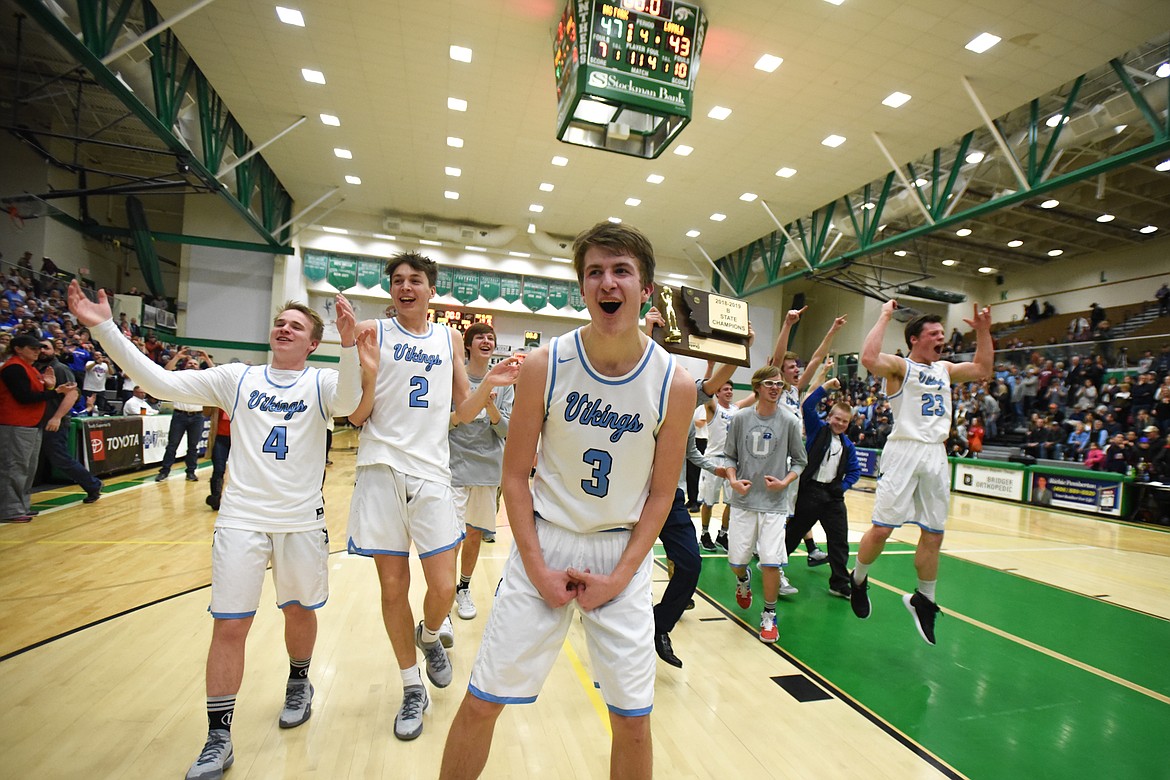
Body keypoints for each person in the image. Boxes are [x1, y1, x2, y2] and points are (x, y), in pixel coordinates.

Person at [67, 280, 364, 780]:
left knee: (298, 612)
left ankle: (299, 680)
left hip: (300, 522)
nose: (284, 328)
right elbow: (161, 383)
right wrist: (106, 330)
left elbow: (353, 401)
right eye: (280, 323)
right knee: (229, 625)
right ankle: (218, 737)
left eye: (297, 326)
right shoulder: (236, 378)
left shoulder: (322, 383)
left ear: (314, 343)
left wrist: (352, 345)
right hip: (241, 520)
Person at [438, 222, 694, 780]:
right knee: (482, 701)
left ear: (645, 288)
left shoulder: (675, 383)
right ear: (582, 288)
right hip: (544, 546)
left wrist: (621, 577)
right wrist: (538, 567)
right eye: (595, 272)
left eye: (621, 270)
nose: (608, 281)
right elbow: (514, 477)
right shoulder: (545, 364)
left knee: (632, 721)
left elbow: (661, 495)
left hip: (621, 555)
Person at [346, 252, 521, 742]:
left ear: (430, 290)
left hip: (431, 472)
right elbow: (355, 410)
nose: (405, 287)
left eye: (414, 280)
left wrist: (490, 382)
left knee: (443, 587)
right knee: (391, 588)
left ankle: (429, 636)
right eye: (397, 281)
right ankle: (410, 688)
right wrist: (350, 351)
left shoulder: (446, 339)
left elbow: (462, 413)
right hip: (380, 469)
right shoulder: (372, 332)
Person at [850, 301, 992, 645]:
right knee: (882, 529)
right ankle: (858, 578)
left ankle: (924, 599)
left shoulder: (945, 368)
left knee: (934, 534)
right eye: (934, 333)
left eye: (942, 333)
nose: (941, 337)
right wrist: (883, 315)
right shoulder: (901, 367)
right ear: (915, 339)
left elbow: (982, 368)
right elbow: (869, 359)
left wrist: (984, 331)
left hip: (935, 453)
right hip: (904, 450)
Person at [723, 364, 807, 643]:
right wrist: (734, 480)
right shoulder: (740, 418)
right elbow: (729, 457)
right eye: (770, 383)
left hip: (774, 503)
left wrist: (785, 482)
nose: (775, 388)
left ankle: (769, 616)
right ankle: (743, 578)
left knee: (771, 563)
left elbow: (800, 461)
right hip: (744, 500)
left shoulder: (791, 421)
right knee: (737, 562)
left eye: (779, 384)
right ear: (757, 386)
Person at [449, 323, 514, 621]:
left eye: (491, 337)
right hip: (453, 467)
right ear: (468, 345)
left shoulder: (505, 383)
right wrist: (467, 410)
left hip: (487, 470)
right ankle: (442, 593)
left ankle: (463, 588)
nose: (486, 341)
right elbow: (447, 420)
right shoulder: (454, 376)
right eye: (480, 337)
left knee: (474, 534)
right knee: (450, 537)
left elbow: (506, 431)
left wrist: (490, 408)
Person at [786, 377, 860, 599]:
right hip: (810, 491)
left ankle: (839, 582)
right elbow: (807, 405)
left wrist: (843, 486)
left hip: (833, 496)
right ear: (829, 417)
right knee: (794, 533)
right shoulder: (817, 430)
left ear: (849, 424)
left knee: (839, 540)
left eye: (845, 421)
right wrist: (826, 387)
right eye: (837, 418)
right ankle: (773, 564)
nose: (840, 423)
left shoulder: (848, 445)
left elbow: (854, 471)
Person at [1, 334, 76, 522]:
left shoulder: (30, 369)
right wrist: (55, 392)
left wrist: (50, 389)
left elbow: (37, 395)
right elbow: (25, 397)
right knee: (14, 468)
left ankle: (22, 506)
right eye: (33, 348)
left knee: (27, 468)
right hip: (15, 424)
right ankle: (10, 510)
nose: (38, 352)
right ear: (18, 349)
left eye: (39, 348)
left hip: (31, 424)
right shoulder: (14, 368)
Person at [35, 338, 102, 503]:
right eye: (39, 347)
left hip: (54, 422)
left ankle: (93, 485)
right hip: (36, 421)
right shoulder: (35, 368)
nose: (42, 350)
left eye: (46, 347)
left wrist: (57, 417)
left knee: (60, 458)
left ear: (54, 351)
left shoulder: (60, 369)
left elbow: (72, 395)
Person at [155, 348, 212, 482]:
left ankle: (191, 472)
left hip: (197, 416)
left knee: (193, 447)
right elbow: (165, 372)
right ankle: (164, 471)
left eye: (195, 364)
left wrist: (207, 359)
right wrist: (178, 357)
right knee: (172, 445)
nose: (192, 365)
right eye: (190, 363)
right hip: (179, 415)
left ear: (199, 368)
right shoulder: (179, 376)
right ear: (185, 365)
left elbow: (218, 374)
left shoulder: (204, 379)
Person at [206, 409, 231, 511]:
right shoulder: (218, 398)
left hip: (238, 438)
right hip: (219, 437)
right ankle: (215, 498)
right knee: (218, 469)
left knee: (241, 470)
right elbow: (205, 412)